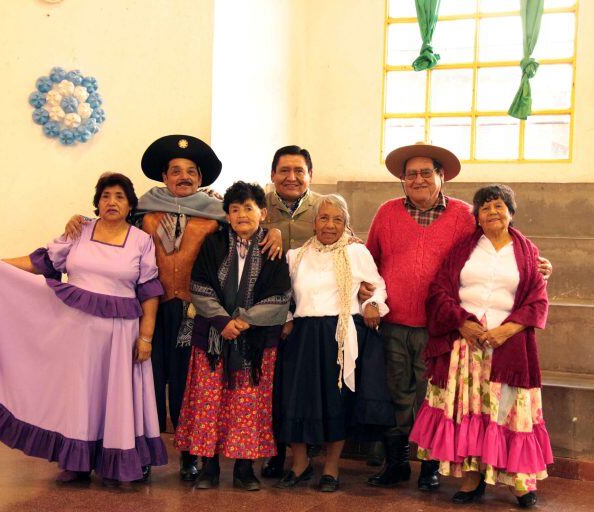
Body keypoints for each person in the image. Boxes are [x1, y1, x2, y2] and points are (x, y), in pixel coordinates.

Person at [63, 135, 283, 481]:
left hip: (195, 313)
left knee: (187, 383)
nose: (184, 177)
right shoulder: (142, 211)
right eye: (176, 171)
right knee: (145, 379)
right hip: (148, 308)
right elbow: (109, 225)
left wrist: (275, 233)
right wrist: (78, 219)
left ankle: (189, 455)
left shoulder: (217, 214)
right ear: (163, 176)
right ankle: (142, 452)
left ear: (201, 178)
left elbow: (247, 231)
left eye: (191, 172)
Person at [0, 173, 167, 484]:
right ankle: (76, 461)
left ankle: (119, 462)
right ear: (97, 202)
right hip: (74, 334)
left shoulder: (141, 241)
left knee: (115, 396)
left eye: (119, 197)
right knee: (78, 395)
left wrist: (146, 337)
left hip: (120, 336)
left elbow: (149, 292)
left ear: (130, 205)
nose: (111, 202)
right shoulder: (79, 231)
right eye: (105, 196)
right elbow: (42, 262)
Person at [363, 142, 553, 491]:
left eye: (426, 173)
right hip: (395, 323)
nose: (418, 180)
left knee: (434, 397)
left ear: (442, 176)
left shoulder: (466, 215)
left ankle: (431, 466)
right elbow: (369, 260)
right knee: (396, 395)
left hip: (441, 329)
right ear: (402, 180)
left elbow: (500, 245)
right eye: (411, 174)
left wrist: (538, 264)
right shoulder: (387, 212)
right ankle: (397, 463)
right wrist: (367, 291)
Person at [409, 185, 551, 508]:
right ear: (477, 217)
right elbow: (439, 291)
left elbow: (537, 301)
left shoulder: (528, 253)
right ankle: (471, 479)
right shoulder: (463, 250)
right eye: (484, 208)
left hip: (509, 346)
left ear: (511, 212)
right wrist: (462, 323)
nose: (492, 213)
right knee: (470, 412)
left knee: (508, 413)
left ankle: (519, 482)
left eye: (499, 206)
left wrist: (506, 331)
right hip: (467, 347)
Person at [174, 181, 292, 491]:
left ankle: (244, 470)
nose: (241, 214)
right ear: (227, 215)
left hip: (255, 344)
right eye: (235, 209)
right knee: (209, 404)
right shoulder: (213, 244)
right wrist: (223, 321)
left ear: (262, 213)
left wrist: (243, 322)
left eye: (248, 208)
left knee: (248, 406)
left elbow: (281, 298)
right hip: (213, 338)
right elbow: (199, 286)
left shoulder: (273, 247)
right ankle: (209, 468)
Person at [275, 194, 394, 492]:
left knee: (336, 401)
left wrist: (373, 305)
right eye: (324, 218)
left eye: (337, 219)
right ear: (314, 222)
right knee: (296, 399)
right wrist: (287, 317)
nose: (330, 225)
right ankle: (300, 464)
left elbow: (378, 287)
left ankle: (331, 467)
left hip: (341, 334)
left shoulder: (357, 253)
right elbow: (284, 296)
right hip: (302, 336)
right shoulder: (296, 255)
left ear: (346, 224)